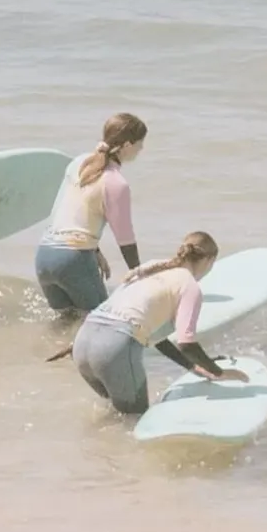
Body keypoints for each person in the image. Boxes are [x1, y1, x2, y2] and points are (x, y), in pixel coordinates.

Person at [76, 231, 232, 420]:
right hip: (114, 349)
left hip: (82, 342)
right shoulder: (189, 286)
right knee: (135, 422)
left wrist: (194, 367)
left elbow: (153, 335)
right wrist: (219, 372)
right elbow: (186, 343)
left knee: (114, 417)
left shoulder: (152, 267)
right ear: (209, 260)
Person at [33, 115, 149, 335]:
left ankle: (50, 363)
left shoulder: (79, 163)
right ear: (126, 145)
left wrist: (94, 250)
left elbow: (63, 212)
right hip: (73, 260)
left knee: (66, 323)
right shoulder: (116, 183)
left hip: (44, 256)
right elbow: (125, 239)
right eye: (140, 143)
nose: (141, 148)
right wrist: (139, 275)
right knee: (101, 327)